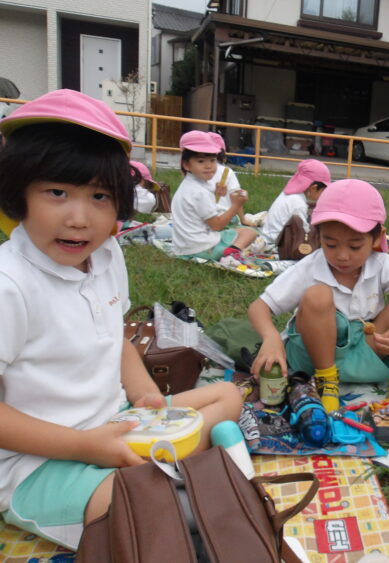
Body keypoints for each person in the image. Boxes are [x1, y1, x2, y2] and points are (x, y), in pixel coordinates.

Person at [0, 89, 243, 550]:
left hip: (118, 424)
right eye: (57, 192)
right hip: (38, 465)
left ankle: (167, 474)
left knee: (228, 395)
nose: (79, 218)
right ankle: (173, 479)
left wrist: (145, 394)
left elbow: (116, 338)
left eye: (99, 196)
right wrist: (86, 447)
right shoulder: (9, 285)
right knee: (145, 506)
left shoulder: (107, 254)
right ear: (18, 194)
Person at [248, 179, 389, 421]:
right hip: (312, 355)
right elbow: (259, 307)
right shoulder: (311, 267)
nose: (342, 256)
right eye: (330, 244)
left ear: (377, 238)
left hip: (360, 352)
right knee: (318, 295)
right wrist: (271, 338)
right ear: (318, 236)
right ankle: (327, 383)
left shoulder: (380, 264)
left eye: (355, 246)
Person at [171, 130, 257, 261]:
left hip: (184, 247)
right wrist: (236, 206)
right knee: (249, 233)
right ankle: (231, 254)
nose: (208, 166)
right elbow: (216, 226)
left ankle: (230, 250)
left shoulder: (188, 185)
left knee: (239, 231)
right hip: (202, 249)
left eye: (212, 160)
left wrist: (216, 195)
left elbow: (199, 210)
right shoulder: (199, 192)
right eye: (201, 161)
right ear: (186, 165)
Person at [254, 159, 331, 254]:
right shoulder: (298, 204)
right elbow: (304, 234)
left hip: (267, 238)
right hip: (277, 246)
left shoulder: (288, 194)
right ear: (313, 188)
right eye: (323, 191)